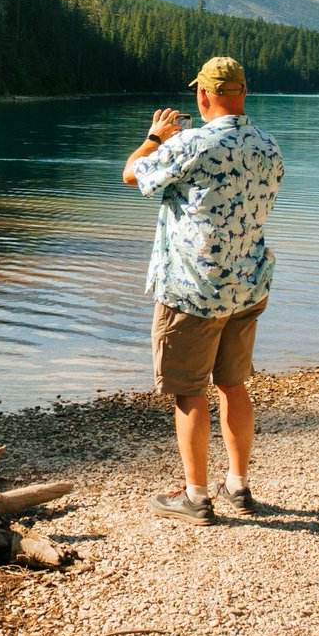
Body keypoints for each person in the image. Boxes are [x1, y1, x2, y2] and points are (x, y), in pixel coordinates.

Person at [122, 56, 284, 525]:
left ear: (203, 95)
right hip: (247, 287)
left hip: (193, 291)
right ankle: (238, 486)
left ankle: (195, 497)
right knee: (233, 384)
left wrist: (156, 137)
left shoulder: (191, 143)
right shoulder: (269, 147)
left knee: (189, 391)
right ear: (243, 94)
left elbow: (132, 174)